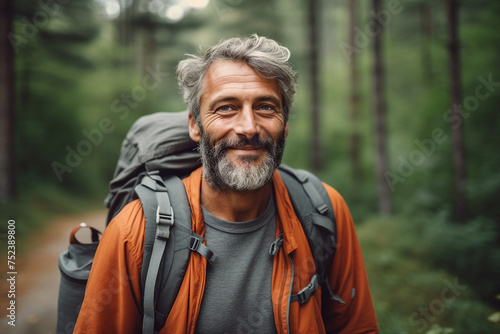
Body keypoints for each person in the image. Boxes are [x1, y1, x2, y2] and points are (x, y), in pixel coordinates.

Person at [74, 34, 378, 334]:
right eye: (226, 107)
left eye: (266, 107)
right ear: (195, 124)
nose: (248, 127)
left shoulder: (322, 210)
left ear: (285, 124)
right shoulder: (135, 232)